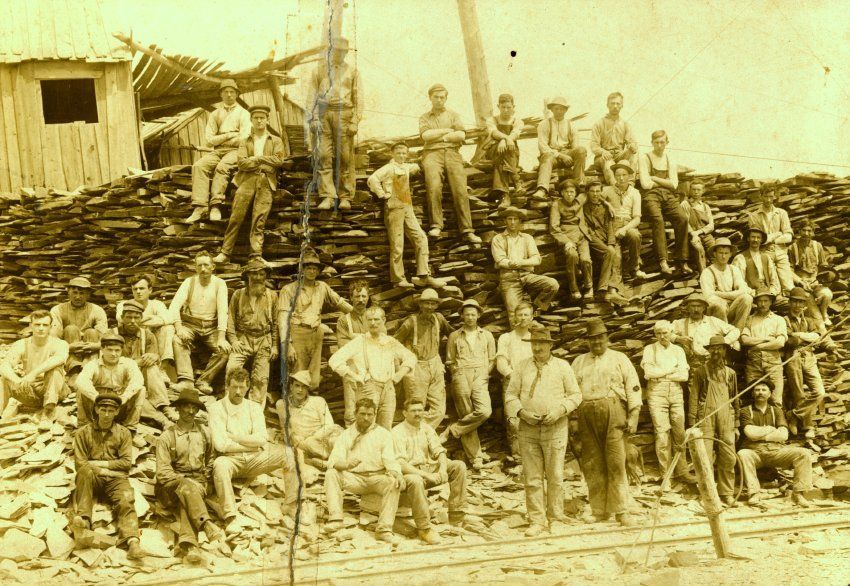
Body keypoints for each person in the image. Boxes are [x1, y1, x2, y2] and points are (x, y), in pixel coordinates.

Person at [505, 326, 582, 536]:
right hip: (528, 429)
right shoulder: (521, 367)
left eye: (541, 344)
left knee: (556, 475)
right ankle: (537, 521)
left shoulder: (562, 367)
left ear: (550, 345)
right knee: (532, 477)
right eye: (534, 344)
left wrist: (559, 411)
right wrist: (521, 413)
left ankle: (555, 518)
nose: (537, 348)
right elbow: (510, 395)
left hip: (555, 428)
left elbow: (576, 395)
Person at [571, 319, 642, 526]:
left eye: (600, 337)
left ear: (607, 338)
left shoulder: (619, 359)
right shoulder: (579, 362)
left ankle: (621, 511)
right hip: (587, 414)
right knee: (592, 463)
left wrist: (634, 414)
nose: (597, 342)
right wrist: (574, 419)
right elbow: (573, 391)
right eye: (592, 339)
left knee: (616, 462)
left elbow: (633, 386)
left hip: (613, 413)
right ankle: (598, 510)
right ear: (588, 341)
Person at [208, 368, 299, 530]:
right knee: (220, 464)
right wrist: (253, 445)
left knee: (290, 454)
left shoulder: (254, 408)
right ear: (227, 386)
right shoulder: (216, 409)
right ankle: (230, 516)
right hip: (231, 461)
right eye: (234, 387)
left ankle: (290, 504)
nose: (238, 391)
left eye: (241, 387)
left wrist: (235, 437)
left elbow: (262, 438)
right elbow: (220, 445)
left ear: (248, 387)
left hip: (255, 460)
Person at [154, 386, 225, 563]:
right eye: (186, 406)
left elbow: (210, 459)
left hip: (197, 484)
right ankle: (206, 524)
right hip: (169, 487)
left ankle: (191, 546)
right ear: (178, 408)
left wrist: (203, 480)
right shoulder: (167, 437)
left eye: (194, 408)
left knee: (188, 496)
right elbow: (163, 473)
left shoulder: (204, 433)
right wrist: (184, 481)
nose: (191, 411)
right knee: (187, 488)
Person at [72, 392, 144, 559]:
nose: (106, 414)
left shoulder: (124, 433)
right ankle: (84, 520)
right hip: (93, 479)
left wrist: (98, 465)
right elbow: (80, 464)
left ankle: (133, 541)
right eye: (103, 409)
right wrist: (105, 468)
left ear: (117, 412)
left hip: (115, 479)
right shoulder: (83, 433)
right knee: (84, 472)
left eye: (110, 411)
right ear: (96, 409)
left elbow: (126, 463)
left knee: (126, 498)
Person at [325, 398, 405, 545]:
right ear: (355, 413)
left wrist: (397, 473)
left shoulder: (383, 434)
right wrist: (346, 464)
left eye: (370, 414)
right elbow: (334, 461)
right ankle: (336, 519)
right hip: (354, 479)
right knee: (331, 474)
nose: (366, 418)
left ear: (375, 414)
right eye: (362, 414)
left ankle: (384, 530)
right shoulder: (346, 434)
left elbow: (389, 460)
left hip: (377, 477)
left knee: (393, 483)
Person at [367, 141, 446, 289]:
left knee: (421, 238)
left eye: (404, 153)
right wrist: (382, 194)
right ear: (392, 154)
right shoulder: (388, 168)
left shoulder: (407, 167)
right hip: (394, 207)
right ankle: (398, 280)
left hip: (407, 207)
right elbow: (372, 179)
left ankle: (424, 275)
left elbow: (416, 167)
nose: (401, 156)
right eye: (398, 153)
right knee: (397, 244)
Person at [214, 104, 286, 264]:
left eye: (262, 118)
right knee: (236, 217)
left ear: (267, 120)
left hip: (266, 181)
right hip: (246, 180)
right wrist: (264, 161)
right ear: (251, 120)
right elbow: (242, 163)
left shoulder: (276, 140)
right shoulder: (245, 141)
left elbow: (279, 160)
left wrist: (257, 158)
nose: (259, 121)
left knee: (259, 219)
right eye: (256, 118)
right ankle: (225, 253)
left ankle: (256, 255)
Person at [393, 398, 468, 545]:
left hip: (428, 469)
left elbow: (439, 451)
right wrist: (428, 475)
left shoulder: (426, 428)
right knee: (415, 480)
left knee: (458, 466)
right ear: (404, 413)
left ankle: (457, 519)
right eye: (413, 411)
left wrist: (442, 469)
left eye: (420, 410)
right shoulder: (397, 432)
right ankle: (424, 528)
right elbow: (401, 464)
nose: (417, 414)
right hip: (409, 474)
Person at [328, 306, 416, 429]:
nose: (373, 323)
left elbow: (411, 357)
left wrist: (398, 376)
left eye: (376, 319)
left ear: (384, 320)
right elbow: (334, 360)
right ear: (365, 321)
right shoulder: (359, 341)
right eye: (369, 320)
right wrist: (353, 376)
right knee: (366, 428)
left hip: (389, 389)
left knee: (385, 430)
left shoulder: (390, 341)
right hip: (368, 389)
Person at [278, 249, 352, 389]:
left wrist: (360, 313)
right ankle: (295, 408)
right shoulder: (289, 290)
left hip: (316, 334)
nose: (311, 271)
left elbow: (339, 302)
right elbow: (282, 320)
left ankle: (311, 405)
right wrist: (287, 345)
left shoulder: (322, 287)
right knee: (297, 374)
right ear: (301, 270)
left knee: (314, 375)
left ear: (318, 271)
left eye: (314, 268)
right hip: (297, 332)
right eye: (308, 268)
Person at [418, 84, 480, 243]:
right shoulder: (425, 117)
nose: (439, 100)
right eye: (436, 97)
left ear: (446, 98)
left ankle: (467, 230)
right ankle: (436, 225)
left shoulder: (453, 115)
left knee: (460, 188)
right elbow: (426, 136)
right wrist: (447, 131)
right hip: (432, 153)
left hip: (452, 153)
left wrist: (442, 137)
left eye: (442, 97)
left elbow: (460, 135)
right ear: (430, 98)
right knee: (433, 186)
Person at [737, 380, 813, 507]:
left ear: (770, 394)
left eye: (763, 390)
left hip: (776, 452)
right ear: (752, 394)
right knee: (743, 454)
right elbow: (750, 433)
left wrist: (761, 435)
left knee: (803, 453)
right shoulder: (745, 411)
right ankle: (754, 493)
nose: (760, 392)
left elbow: (783, 434)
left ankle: (798, 494)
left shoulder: (776, 411)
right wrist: (770, 429)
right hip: (754, 452)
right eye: (757, 390)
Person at [308, 37, 363, 211]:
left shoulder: (353, 71)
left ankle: (345, 196)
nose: (338, 54)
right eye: (335, 50)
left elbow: (358, 98)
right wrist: (314, 118)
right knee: (323, 155)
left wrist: (355, 120)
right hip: (324, 114)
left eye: (342, 51)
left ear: (346, 52)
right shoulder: (319, 71)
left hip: (344, 114)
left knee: (345, 157)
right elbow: (312, 96)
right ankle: (328, 196)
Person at [187, 79, 251, 223]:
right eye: (225, 92)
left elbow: (244, 138)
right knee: (199, 166)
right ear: (221, 94)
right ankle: (200, 207)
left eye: (232, 92)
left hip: (236, 150)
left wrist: (220, 138)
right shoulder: (215, 114)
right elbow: (209, 140)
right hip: (217, 151)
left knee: (222, 167)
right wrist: (229, 135)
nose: (229, 95)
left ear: (236, 94)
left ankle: (215, 206)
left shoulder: (243, 113)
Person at [442, 299, 495, 469]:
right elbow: (450, 360)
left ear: (479, 315)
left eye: (473, 314)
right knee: (466, 412)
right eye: (467, 315)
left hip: (480, 374)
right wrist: (457, 374)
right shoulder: (455, 336)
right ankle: (475, 458)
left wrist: (485, 374)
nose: (470, 317)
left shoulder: (486, 335)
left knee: (484, 410)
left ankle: (454, 429)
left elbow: (492, 359)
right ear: (462, 316)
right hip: (461, 374)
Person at [640, 321, 696, 486]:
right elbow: (648, 373)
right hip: (657, 392)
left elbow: (684, 376)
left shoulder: (678, 350)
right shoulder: (650, 349)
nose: (662, 336)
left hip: (676, 392)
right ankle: (667, 476)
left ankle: (682, 472)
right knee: (662, 434)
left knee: (679, 433)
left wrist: (662, 374)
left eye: (665, 333)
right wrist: (671, 371)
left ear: (671, 333)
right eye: (658, 333)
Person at [170, 251, 230, 394]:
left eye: (206, 265)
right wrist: (179, 328)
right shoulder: (189, 282)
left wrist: (221, 337)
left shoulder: (220, 284)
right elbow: (174, 307)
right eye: (199, 266)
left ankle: (204, 381)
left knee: (224, 351)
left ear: (213, 266)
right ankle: (186, 380)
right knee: (177, 340)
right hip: (191, 325)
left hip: (211, 327)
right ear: (195, 268)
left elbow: (223, 311)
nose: (203, 269)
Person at [689, 336, 739, 507]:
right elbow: (694, 397)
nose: (716, 352)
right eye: (713, 348)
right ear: (708, 351)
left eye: (720, 348)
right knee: (705, 456)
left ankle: (726, 493)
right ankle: (708, 495)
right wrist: (692, 422)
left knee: (728, 456)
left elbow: (734, 399)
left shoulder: (730, 374)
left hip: (726, 417)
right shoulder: (700, 372)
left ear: (725, 350)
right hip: (705, 417)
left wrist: (737, 423)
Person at [394, 289, 453, 430]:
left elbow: (454, 335)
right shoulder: (410, 322)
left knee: (439, 411)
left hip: (435, 364)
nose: (430, 307)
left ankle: (419, 431)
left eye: (433, 304)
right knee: (415, 409)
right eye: (427, 303)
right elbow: (393, 344)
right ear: (420, 304)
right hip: (416, 367)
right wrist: (399, 367)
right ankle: (411, 436)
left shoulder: (439, 319)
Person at [0, 309, 69, 428]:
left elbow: (60, 359)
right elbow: (4, 366)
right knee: (4, 380)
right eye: (37, 324)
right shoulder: (21, 344)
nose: (41, 328)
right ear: (30, 326)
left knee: (54, 369)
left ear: (51, 327)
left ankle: (47, 413)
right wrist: (17, 381)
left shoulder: (60, 344)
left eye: (45, 325)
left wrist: (34, 373)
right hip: (31, 392)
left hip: (55, 391)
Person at [224, 259, 278, 406]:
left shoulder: (272, 296)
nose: (258, 278)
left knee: (261, 379)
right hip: (243, 338)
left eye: (261, 274)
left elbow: (276, 324)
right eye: (254, 274)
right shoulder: (238, 295)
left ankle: (255, 413)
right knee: (232, 369)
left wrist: (274, 346)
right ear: (247, 276)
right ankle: (231, 406)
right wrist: (233, 340)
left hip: (264, 340)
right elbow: (230, 320)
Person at [114, 300, 176, 428]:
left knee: (152, 366)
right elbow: (111, 362)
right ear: (122, 318)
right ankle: (162, 421)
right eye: (129, 317)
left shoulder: (147, 334)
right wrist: (136, 362)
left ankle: (164, 405)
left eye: (136, 317)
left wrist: (154, 356)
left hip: (141, 376)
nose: (132, 321)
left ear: (141, 318)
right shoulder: (112, 334)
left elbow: (154, 356)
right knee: (134, 395)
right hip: (119, 379)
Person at [784, 287, 835, 439]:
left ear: (805, 305)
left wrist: (799, 335)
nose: (798, 306)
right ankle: (808, 427)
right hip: (793, 357)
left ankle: (793, 415)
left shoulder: (810, 320)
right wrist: (807, 337)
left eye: (801, 303)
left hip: (809, 357)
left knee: (820, 392)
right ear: (790, 302)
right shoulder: (783, 320)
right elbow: (790, 341)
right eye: (795, 302)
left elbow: (818, 338)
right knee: (798, 393)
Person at [491, 206, 560, 314]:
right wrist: (510, 263)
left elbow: (537, 259)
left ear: (520, 221)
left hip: (527, 276)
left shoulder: (527, 238)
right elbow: (500, 260)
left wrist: (520, 262)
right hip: (509, 280)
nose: (512, 222)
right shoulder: (498, 239)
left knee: (552, 284)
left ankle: (537, 307)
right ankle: (522, 318)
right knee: (514, 314)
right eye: (509, 219)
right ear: (505, 221)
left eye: (515, 219)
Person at [639, 130, 689, 275]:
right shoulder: (645, 158)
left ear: (667, 142)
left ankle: (682, 261)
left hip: (668, 195)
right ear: (651, 143)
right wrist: (664, 182)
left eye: (662, 142)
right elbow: (645, 184)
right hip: (651, 195)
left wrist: (654, 178)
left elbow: (674, 184)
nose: (659, 145)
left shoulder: (670, 159)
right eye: (656, 142)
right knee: (657, 220)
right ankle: (663, 261)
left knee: (682, 218)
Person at [75, 332, 146, 429]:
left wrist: (125, 397)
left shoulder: (129, 363)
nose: (113, 354)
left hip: (119, 405)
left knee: (141, 390)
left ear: (121, 351)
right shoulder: (93, 364)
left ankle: (130, 429)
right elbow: (81, 381)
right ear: (102, 349)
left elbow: (138, 380)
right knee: (81, 390)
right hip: (98, 407)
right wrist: (96, 397)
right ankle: (84, 427)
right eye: (109, 350)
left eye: (117, 350)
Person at [275, 370, 342, 469]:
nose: (300, 390)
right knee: (305, 447)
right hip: (304, 443)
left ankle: (329, 461)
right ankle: (324, 462)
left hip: (323, 437)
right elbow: (285, 429)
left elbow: (329, 425)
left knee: (337, 439)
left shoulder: (318, 401)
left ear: (308, 389)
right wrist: (294, 436)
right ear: (291, 387)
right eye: (297, 385)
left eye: (304, 387)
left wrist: (313, 437)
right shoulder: (282, 404)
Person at [495, 302, 536, 462]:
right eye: (520, 315)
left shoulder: (534, 338)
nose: (523, 318)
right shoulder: (506, 338)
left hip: (532, 384)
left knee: (532, 418)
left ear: (532, 318)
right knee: (513, 421)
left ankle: (533, 457)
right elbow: (501, 362)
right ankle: (518, 457)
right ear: (515, 317)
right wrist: (512, 376)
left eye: (526, 315)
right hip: (511, 383)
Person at [532, 96, 587, 199]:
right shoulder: (544, 124)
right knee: (547, 157)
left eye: (561, 109)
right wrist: (560, 155)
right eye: (556, 109)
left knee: (581, 150)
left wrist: (570, 156)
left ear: (566, 110)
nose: (559, 111)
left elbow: (575, 147)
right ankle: (542, 189)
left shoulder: (571, 126)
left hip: (567, 154)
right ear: (552, 109)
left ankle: (578, 184)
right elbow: (543, 146)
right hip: (551, 155)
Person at [583, 181, 629, 305]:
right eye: (592, 191)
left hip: (607, 239)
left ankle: (613, 291)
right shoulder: (583, 207)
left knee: (617, 256)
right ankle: (604, 290)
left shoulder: (605, 207)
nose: (595, 194)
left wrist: (611, 243)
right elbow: (589, 231)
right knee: (610, 253)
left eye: (598, 191)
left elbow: (610, 226)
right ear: (587, 192)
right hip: (593, 240)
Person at [671, 292, 740, 373]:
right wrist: (677, 338)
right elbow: (663, 333)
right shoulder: (679, 323)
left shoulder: (713, 321)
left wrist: (724, 341)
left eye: (699, 306)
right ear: (688, 308)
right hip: (692, 366)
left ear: (704, 308)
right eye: (693, 306)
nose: (696, 309)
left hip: (713, 363)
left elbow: (735, 331)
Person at [741, 288, 787, 407]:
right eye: (760, 301)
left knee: (776, 399)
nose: (762, 304)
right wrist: (766, 340)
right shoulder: (749, 319)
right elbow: (745, 340)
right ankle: (758, 425)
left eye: (766, 300)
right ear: (756, 302)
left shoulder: (778, 320)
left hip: (773, 363)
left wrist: (757, 346)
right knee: (755, 398)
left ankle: (778, 426)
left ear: (771, 302)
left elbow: (780, 343)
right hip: (753, 363)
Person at [117, 275, 175, 365]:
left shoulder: (157, 304)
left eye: (142, 288)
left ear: (150, 290)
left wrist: (143, 322)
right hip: (132, 338)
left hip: (152, 338)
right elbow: (121, 319)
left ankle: (163, 366)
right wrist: (152, 319)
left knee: (168, 328)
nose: (138, 292)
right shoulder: (124, 304)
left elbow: (169, 318)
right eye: (135, 289)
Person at [747, 183, 794, 294]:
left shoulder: (781, 213)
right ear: (761, 196)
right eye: (766, 196)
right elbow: (759, 240)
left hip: (781, 252)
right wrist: (776, 234)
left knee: (788, 285)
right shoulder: (753, 216)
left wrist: (771, 238)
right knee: (771, 285)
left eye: (771, 197)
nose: (768, 200)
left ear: (775, 197)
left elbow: (788, 237)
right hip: (764, 252)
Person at [603, 162, 646, 281]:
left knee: (635, 235)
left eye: (624, 175)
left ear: (629, 176)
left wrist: (624, 229)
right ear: (614, 176)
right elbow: (594, 198)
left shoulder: (635, 193)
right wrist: (607, 203)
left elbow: (637, 218)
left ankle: (635, 268)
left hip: (628, 224)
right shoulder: (607, 190)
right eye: (617, 175)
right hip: (612, 224)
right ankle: (617, 283)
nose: (621, 178)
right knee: (616, 255)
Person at [549, 180, 592, 300]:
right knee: (572, 256)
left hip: (581, 236)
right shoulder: (556, 205)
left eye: (572, 192)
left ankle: (589, 286)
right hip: (567, 237)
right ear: (562, 193)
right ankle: (574, 288)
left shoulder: (580, 200)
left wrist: (607, 204)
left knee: (585, 260)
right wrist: (566, 241)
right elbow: (554, 227)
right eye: (566, 192)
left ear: (576, 193)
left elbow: (595, 193)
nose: (569, 194)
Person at [336, 279, 370, 427]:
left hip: (373, 366)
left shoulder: (375, 317)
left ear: (368, 297)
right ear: (351, 298)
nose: (360, 300)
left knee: (370, 406)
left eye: (363, 296)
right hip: (352, 367)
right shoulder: (345, 320)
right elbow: (344, 347)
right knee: (351, 408)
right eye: (357, 297)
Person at [699, 237, 755, 329]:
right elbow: (708, 297)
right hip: (715, 312)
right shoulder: (707, 272)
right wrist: (730, 296)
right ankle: (722, 334)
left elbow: (743, 290)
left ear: (730, 254)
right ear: (715, 254)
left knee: (747, 298)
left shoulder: (734, 270)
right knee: (719, 304)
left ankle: (737, 332)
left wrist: (719, 294)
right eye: (720, 253)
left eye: (726, 253)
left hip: (731, 308)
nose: (723, 256)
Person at [789, 218, 834, 326]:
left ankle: (824, 313)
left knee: (827, 294)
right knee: (811, 306)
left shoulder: (817, 246)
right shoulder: (792, 248)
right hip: (801, 285)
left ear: (813, 232)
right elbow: (789, 270)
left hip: (815, 282)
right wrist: (800, 282)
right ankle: (818, 322)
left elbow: (823, 265)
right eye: (803, 230)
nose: (806, 233)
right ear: (799, 231)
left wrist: (822, 278)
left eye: (809, 231)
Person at [589, 92, 638, 187]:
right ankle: (614, 186)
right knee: (608, 163)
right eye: (612, 103)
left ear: (622, 106)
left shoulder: (625, 124)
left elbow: (631, 141)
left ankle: (631, 184)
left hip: (619, 154)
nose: (615, 106)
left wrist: (632, 146)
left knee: (633, 154)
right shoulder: (599, 123)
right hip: (603, 156)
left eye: (618, 104)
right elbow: (594, 146)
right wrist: (603, 151)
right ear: (607, 105)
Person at [484, 93, 524, 208]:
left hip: (510, 152)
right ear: (498, 106)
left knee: (503, 157)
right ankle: (516, 180)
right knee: (503, 150)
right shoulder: (492, 120)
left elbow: (515, 133)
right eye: (503, 107)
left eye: (509, 107)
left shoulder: (517, 121)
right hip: (493, 150)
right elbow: (493, 132)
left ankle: (505, 196)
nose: (506, 110)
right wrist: (505, 139)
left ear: (513, 107)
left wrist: (506, 141)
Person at [49, 276, 108, 345]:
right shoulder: (58, 310)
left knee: (92, 332)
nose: (78, 297)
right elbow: (54, 335)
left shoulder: (97, 310)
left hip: (90, 346)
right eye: (75, 292)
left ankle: (92, 356)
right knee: (71, 329)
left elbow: (102, 335)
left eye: (82, 293)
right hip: (67, 346)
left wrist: (91, 345)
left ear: (88, 295)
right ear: (68, 292)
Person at [732, 226, 781, 297]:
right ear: (748, 239)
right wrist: (753, 293)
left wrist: (771, 293)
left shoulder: (766, 257)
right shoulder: (740, 258)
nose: (755, 240)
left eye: (758, 237)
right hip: (751, 295)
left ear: (761, 240)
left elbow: (774, 280)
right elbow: (739, 283)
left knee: (786, 303)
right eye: (753, 237)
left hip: (768, 294)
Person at [679, 178, 715, 273]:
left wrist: (699, 232)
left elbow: (711, 225)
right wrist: (693, 234)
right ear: (690, 190)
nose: (696, 192)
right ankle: (703, 275)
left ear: (703, 191)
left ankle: (717, 275)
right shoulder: (685, 204)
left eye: (698, 190)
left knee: (715, 250)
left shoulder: (705, 206)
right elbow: (685, 223)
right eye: (693, 189)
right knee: (699, 250)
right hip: (691, 235)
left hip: (705, 234)